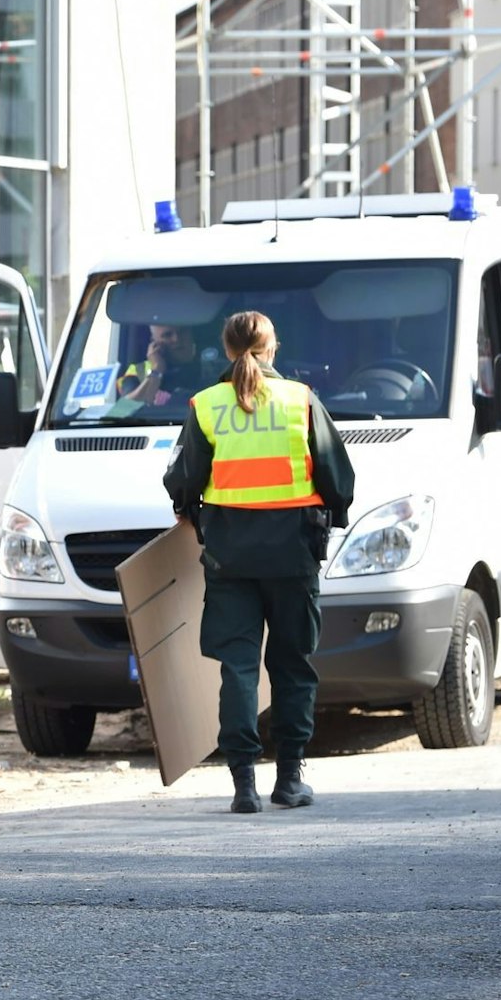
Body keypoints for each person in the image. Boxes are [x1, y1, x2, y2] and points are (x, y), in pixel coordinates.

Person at [163, 311, 355, 815]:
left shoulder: (206, 405)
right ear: (273, 348)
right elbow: (339, 477)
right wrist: (331, 516)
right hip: (293, 554)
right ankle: (289, 779)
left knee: (239, 668)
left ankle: (243, 785)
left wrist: (189, 511)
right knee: (292, 666)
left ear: (227, 350)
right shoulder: (300, 399)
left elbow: (182, 478)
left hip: (229, 558)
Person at [121, 323, 206, 406]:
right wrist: (157, 370)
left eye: (182, 332)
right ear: (154, 342)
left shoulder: (209, 367)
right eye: (167, 335)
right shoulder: (139, 371)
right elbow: (126, 409)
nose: (176, 339)